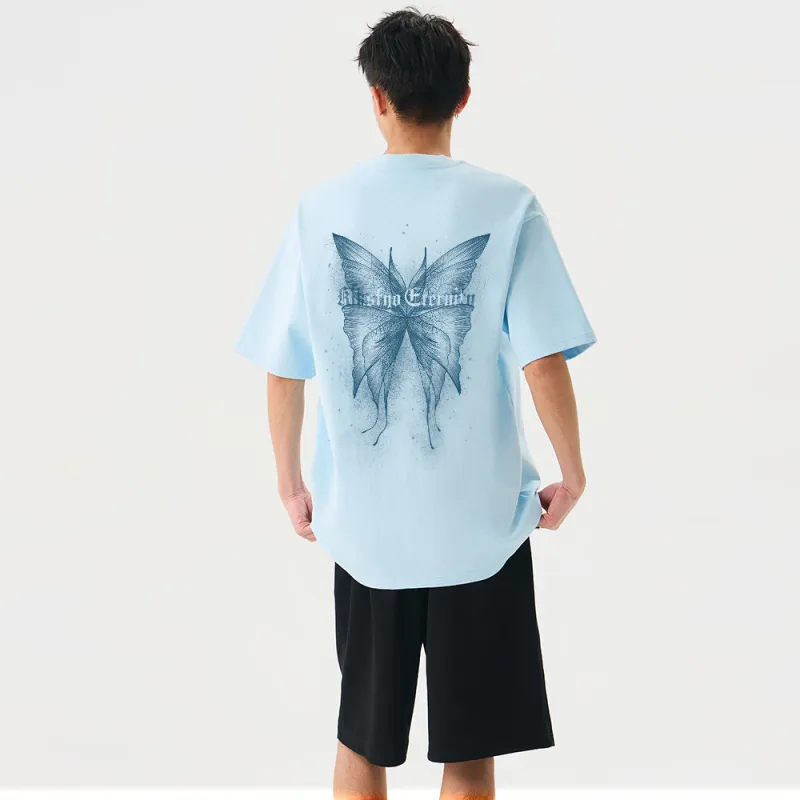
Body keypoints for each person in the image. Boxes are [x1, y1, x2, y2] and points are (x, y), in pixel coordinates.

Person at [236, 8, 596, 799]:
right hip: (481, 527)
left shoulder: (320, 210)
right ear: (464, 97)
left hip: (365, 529)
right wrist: (571, 473)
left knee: (362, 741)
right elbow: (542, 359)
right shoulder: (508, 206)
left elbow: (282, 367)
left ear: (376, 97)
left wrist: (290, 483)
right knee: (469, 752)